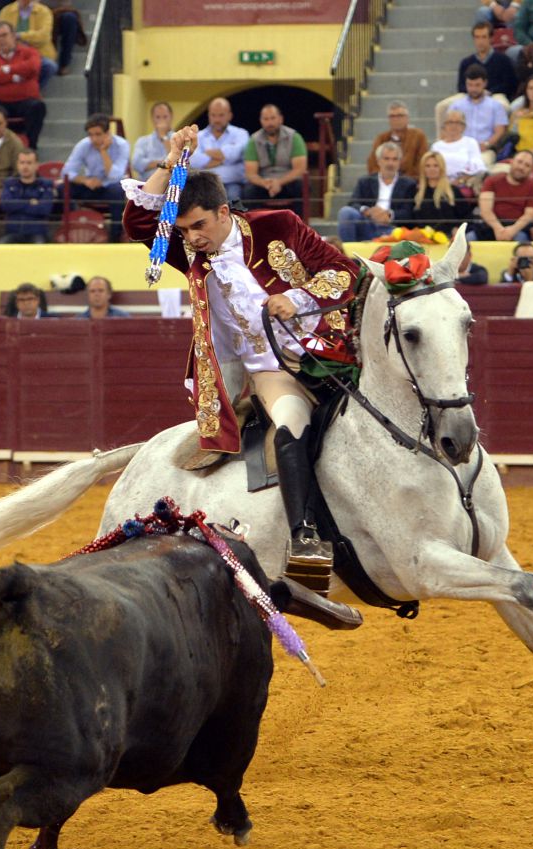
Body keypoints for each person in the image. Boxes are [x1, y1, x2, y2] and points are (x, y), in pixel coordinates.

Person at [123, 124, 360, 586]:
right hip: (270, 368)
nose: (191, 238)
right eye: (185, 229)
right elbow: (137, 223)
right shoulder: (189, 252)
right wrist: (170, 162)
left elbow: (342, 269)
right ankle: (305, 536)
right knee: (292, 424)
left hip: (326, 345)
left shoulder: (280, 225)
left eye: (200, 226)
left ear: (223, 212)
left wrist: (301, 298)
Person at [60, 111, 129, 235]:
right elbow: (66, 172)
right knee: (62, 188)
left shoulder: (122, 145)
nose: (94, 139)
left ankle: (115, 236)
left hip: (109, 187)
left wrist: (103, 151)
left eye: (98, 134)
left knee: (118, 191)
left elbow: (116, 176)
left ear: (108, 133)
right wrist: (85, 181)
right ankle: (73, 227)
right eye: (91, 135)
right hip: (89, 185)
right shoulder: (83, 145)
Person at [0, 21, 45, 147]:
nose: (1, 40)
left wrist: (6, 70)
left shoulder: (29, 52)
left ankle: (30, 148)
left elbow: (33, 67)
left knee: (38, 107)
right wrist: (15, 76)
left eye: (4, 35)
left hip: (25, 100)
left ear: (14, 35)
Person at [336, 141, 416, 243]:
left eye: (394, 159)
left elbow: (409, 212)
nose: (390, 163)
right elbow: (353, 203)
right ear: (378, 161)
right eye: (386, 159)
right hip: (368, 224)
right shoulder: (365, 181)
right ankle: (347, 255)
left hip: (393, 229)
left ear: (399, 162)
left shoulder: (409, 184)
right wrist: (368, 211)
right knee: (345, 212)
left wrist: (389, 215)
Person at [242, 103, 308, 218]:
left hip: (288, 182)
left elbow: (300, 169)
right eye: (266, 119)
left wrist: (279, 182)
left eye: (273, 118)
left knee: (302, 186)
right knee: (248, 191)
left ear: (280, 119)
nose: (269, 123)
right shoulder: (254, 140)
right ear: (261, 121)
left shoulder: (294, 137)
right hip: (264, 183)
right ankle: (252, 228)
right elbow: (250, 173)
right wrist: (265, 183)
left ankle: (300, 227)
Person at [470, 149, 533, 241]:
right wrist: (498, 229)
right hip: (491, 225)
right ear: (511, 162)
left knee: (521, 239)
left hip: (517, 228)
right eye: (519, 162)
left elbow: (529, 216)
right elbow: (485, 211)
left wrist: (511, 231)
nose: (521, 167)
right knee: (468, 238)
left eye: (527, 165)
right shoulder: (492, 180)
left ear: (531, 170)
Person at [189, 96, 250, 201]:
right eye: (213, 115)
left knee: (233, 196)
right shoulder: (198, 136)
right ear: (209, 116)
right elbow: (193, 160)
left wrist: (207, 155)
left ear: (229, 115)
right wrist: (224, 159)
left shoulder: (241, 134)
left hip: (232, 183)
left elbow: (235, 154)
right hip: (204, 185)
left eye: (221, 115)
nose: (217, 120)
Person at [446, 64, 509, 165]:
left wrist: (487, 144)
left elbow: (500, 131)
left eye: (477, 85)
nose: (473, 89)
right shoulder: (456, 106)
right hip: (460, 148)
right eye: (470, 85)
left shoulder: (496, 106)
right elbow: (448, 129)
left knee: (479, 163)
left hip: (485, 149)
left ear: (485, 83)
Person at [0, 147, 54, 242]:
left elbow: (44, 209)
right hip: (12, 233)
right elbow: (6, 205)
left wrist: (17, 204)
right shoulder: (9, 183)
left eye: (29, 163)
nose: (25, 167)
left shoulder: (46, 185)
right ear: (17, 164)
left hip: (37, 233)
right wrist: (30, 202)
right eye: (22, 163)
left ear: (37, 165)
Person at [0, 0, 58, 84]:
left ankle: (33, 90)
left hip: (39, 53)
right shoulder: (6, 11)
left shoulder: (44, 11)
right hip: (12, 53)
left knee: (50, 66)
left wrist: (19, 36)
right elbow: (1, 35)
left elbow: (43, 37)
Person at [365, 101, 428, 179]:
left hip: (411, 183)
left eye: (400, 116)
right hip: (385, 182)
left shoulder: (418, 136)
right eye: (392, 116)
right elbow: (373, 164)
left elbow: (422, 162)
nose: (396, 119)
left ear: (407, 118)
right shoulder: (381, 139)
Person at [458, 23, 518, 102]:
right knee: (443, 106)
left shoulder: (503, 60)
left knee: (502, 104)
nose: (480, 41)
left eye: (484, 37)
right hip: (470, 96)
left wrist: (489, 92)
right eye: (477, 37)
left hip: (495, 96)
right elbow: (461, 86)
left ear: (491, 38)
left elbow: (509, 84)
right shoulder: (466, 63)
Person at [411, 150, 467, 233]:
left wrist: (457, 229)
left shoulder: (453, 191)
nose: (431, 169)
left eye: (435, 166)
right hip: (422, 239)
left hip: (449, 239)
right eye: (427, 166)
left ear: (441, 168)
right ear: (423, 169)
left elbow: (466, 217)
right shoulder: (414, 191)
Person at [431, 110, 488, 190]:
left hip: (463, 184)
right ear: (444, 126)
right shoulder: (436, 146)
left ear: (463, 127)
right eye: (450, 122)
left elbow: (477, 166)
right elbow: (432, 167)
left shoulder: (470, 142)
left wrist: (460, 180)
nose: (453, 126)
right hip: (440, 184)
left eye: (458, 123)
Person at [131, 100, 173, 177]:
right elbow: (136, 163)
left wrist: (164, 137)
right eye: (158, 117)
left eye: (165, 117)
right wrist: (164, 163)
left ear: (171, 117)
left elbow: (178, 162)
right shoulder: (143, 141)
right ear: (152, 119)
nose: (161, 120)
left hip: (171, 184)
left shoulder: (178, 138)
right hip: (146, 183)